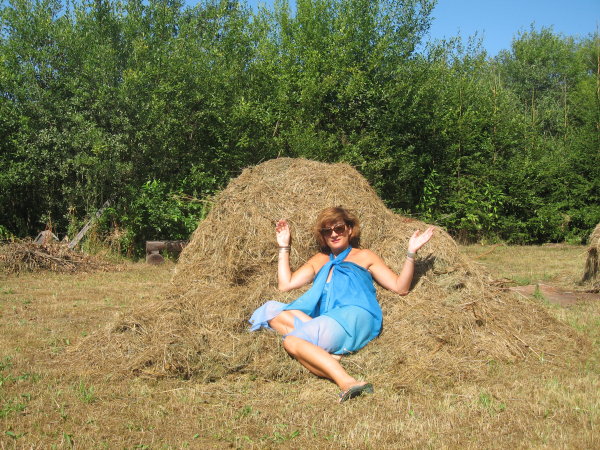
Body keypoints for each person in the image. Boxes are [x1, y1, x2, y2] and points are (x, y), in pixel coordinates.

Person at [249, 207, 434, 402]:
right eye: (327, 231)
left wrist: (411, 253)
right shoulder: (320, 260)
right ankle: (328, 355)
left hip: (355, 315)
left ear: (350, 229)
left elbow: (400, 287)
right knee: (271, 310)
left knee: (291, 342)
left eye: (339, 228)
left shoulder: (364, 256)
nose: (334, 234)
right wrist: (283, 246)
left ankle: (347, 382)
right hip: (329, 318)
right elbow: (285, 285)